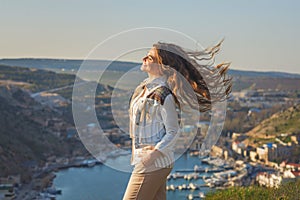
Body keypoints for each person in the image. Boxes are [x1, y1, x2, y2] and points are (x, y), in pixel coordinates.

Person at [122, 41, 232, 200]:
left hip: (153, 163)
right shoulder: (143, 89)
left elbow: (173, 130)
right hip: (151, 160)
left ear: (162, 67)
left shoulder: (162, 94)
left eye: (150, 57)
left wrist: (152, 156)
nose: (144, 58)